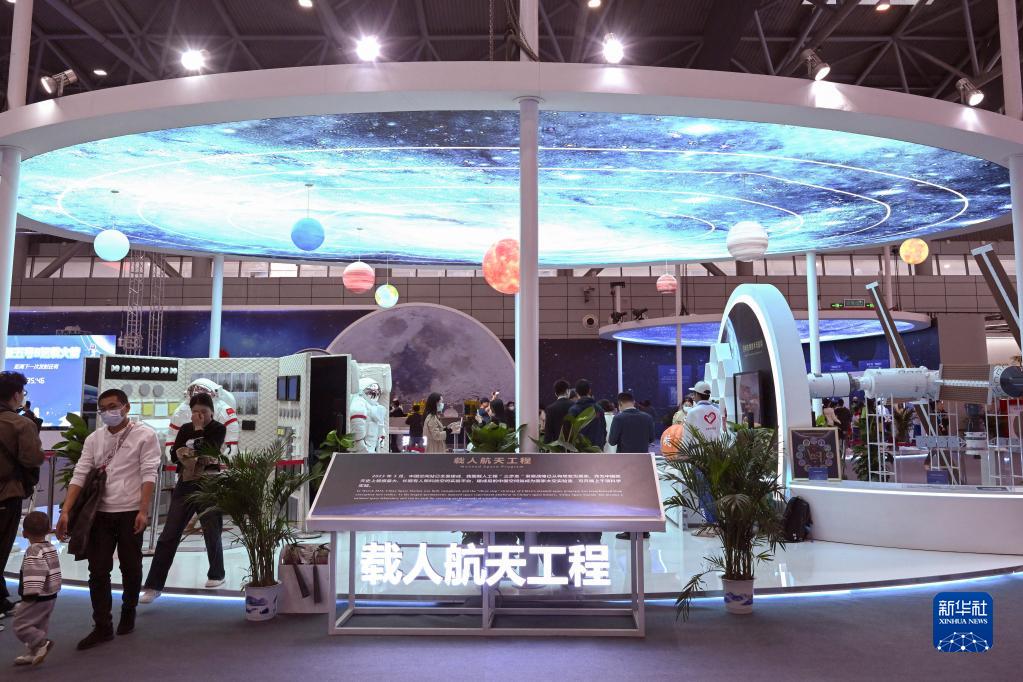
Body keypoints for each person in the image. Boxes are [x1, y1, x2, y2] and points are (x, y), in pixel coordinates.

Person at [56, 388, 162, 650]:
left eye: (113, 406)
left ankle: (128, 610)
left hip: (130, 512)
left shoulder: (145, 435)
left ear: (126, 407)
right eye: (103, 409)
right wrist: (66, 509)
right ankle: (102, 625)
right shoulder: (95, 439)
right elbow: (81, 473)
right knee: (98, 570)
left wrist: (143, 510)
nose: (108, 412)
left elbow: (149, 472)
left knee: (130, 566)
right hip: (100, 513)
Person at [140, 393, 227, 604]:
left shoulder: (218, 428)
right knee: (169, 533)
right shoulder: (185, 428)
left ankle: (217, 573)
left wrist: (196, 436)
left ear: (212, 412)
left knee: (211, 529)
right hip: (185, 483)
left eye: (204, 412)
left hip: (208, 483)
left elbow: (209, 452)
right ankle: (153, 585)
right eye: (195, 412)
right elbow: (174, 455)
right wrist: (190, 451)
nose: (199, 416)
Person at [0, 370, 45, 618]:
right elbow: (33, 458)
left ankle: (1, 599)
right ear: (17, 394)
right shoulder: (21, 424)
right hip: (7, 494)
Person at [12, 511, 60, 666]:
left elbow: (35, 573)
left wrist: (29, 595)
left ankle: (41, 643)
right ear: (48, 530)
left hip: (36, 596)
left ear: (24, 533)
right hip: (50, 595)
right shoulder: (50, 547)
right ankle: (34, 652)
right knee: (39, 624)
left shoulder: (33, 551)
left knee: (20, 624)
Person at [609, 392, 656, 539]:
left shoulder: (619, 418)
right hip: (643, 462)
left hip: (625, 464)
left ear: (620, 404)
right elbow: (651, 438)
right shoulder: (647, 417)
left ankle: (629, 531)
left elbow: (612, 441)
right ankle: (644, 530)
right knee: (643, 497)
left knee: (628, 497)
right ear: (634, 402)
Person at [567, 379, 606, 448]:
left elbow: (569, 432)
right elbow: (603, 430)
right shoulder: (599, 409)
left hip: (579, 450)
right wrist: (601, 444)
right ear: (589, 390)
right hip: (596, 449)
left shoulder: (573, 410)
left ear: (576, 392)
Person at [543, 379, 574, 444]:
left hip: (557, 447)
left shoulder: (550, 409)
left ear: (556, 394)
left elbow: (548, 433)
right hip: (573, 447)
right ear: (567, 391)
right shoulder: (574, 406)